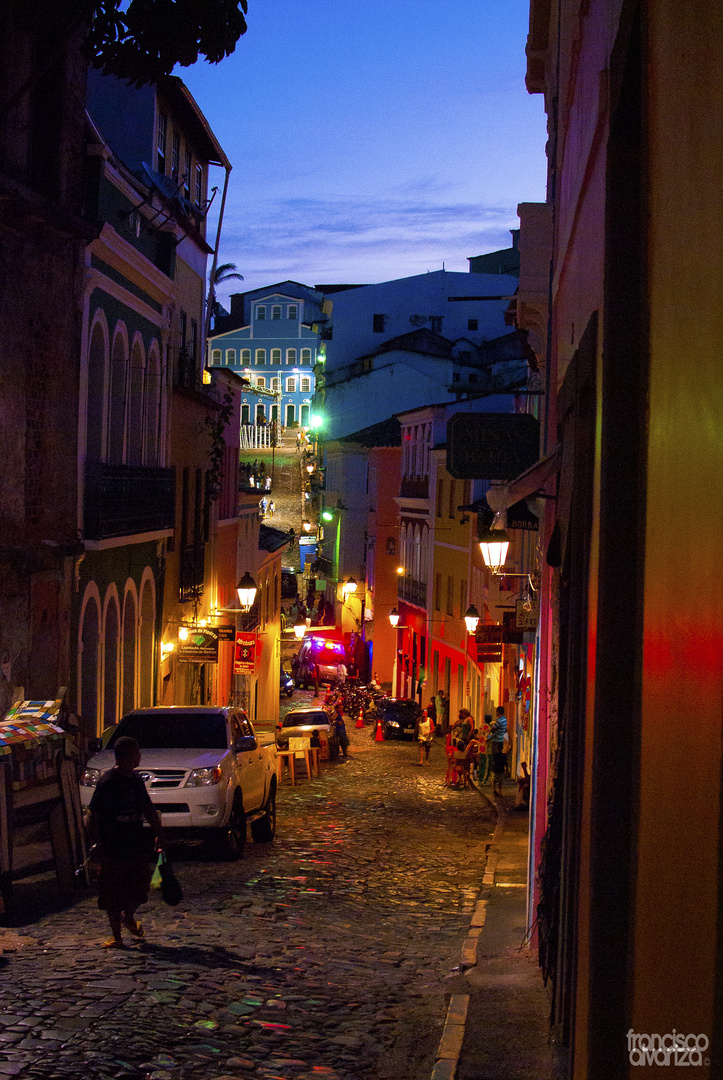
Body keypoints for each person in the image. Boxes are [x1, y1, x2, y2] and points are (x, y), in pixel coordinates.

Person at [86, 736, 163, 949]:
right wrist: (96, 843)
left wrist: (158, 832)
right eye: (137, 752)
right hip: (113, 839)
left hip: (134, 837)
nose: (140, 756)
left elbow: (147, 807)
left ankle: (128, 916)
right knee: (112, 888)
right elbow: (94, 815)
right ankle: (116, 936)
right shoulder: (108, 782)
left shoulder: (136, 779)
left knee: (140, 883)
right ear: (127, 755)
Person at [489, 705, 508, 797]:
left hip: (497, 742)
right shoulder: (505, 720)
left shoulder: (499, 720)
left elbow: (493, 729)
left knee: (495, 763)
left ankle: (494, 787)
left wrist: (491, 728)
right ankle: (499, 790)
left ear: (498, 712)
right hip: (501, 741)